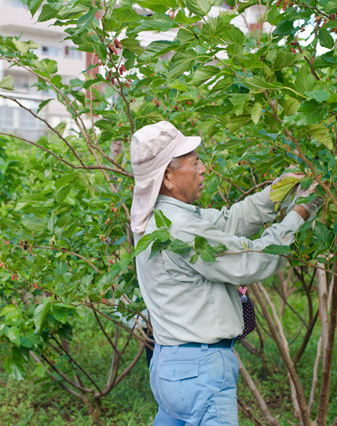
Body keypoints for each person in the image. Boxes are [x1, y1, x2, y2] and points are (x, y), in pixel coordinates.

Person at [130, 121, 321, 425]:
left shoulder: (161, 217)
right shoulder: (180, 228)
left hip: (169, 366)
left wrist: (277, 193)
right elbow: (251, 261)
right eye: (195, 163)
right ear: (167, 177)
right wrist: (300, 213)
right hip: (200, 369)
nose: (204, 169)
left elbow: (227, 222)